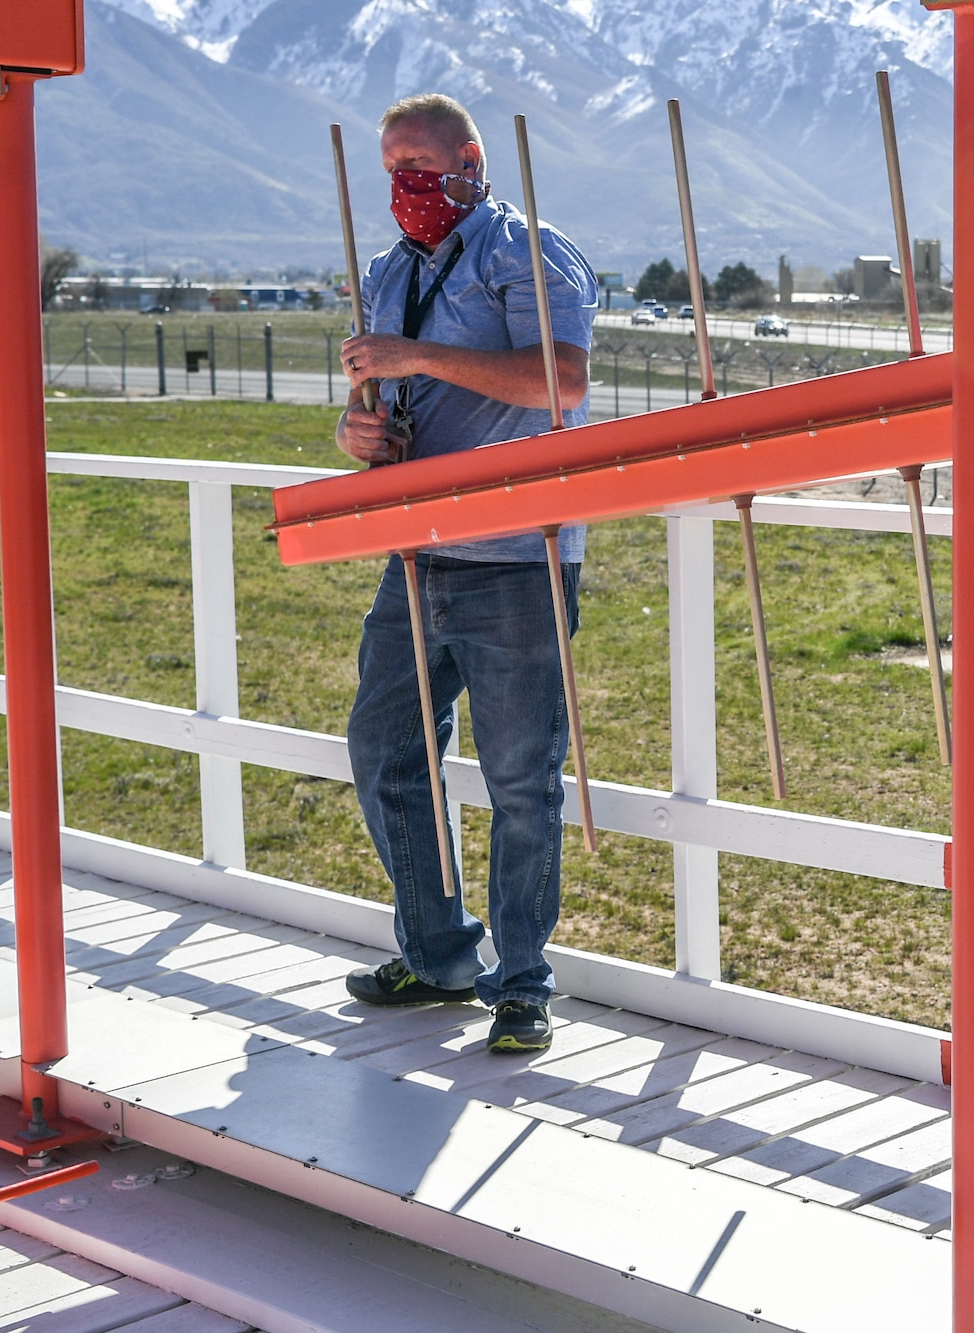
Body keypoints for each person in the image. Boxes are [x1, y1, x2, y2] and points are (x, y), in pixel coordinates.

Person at [336, 93, 597, 1055]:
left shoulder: (525, 255)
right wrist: (359, 430)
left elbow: (562, 383)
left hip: (518, 557)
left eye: (421, 165)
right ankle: (438, 949)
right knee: (384, 745)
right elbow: (371, 404)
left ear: (471, 160)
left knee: (523, 775)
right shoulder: (385, 272)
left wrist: (420, 355)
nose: (407, 188)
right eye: (392, 169)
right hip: (416, 547)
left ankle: (523, 980)